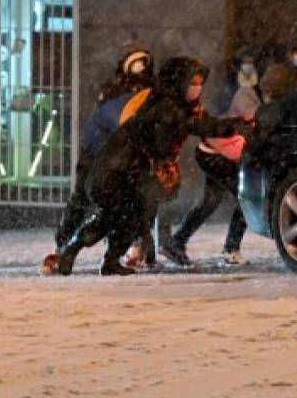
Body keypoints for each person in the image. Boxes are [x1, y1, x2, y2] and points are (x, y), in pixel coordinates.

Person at [42, 57, 241, 276]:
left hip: (127, 171)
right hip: (117, 171)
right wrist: (228, 127)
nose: (197, 87)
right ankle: (73, 249)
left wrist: (224, 127)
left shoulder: (174, 103)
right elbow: (181, 131)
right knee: (121, 215)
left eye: (200, 82)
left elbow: (197, 123)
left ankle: (104, 258)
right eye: (193, 81)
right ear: (180, 81)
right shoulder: (166, 105)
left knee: (130, 217)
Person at [54, 46, 157, 252]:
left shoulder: (152, 92)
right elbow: (112, 119)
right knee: (82, 197)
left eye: (143, 65)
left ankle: (132, 247)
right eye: (135, 65)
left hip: (127, 156)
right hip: (98, 151)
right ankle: (62, 245)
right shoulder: (113, 89)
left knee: (137, 200)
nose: (139, 70)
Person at [161, 81, 259, 268]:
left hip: (212, 153)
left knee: (211, 201)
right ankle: (231, 248)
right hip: (215, 155)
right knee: (245, 198)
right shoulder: (247, 99)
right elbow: (246, 119)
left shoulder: (249, 99)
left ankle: (177, 242)